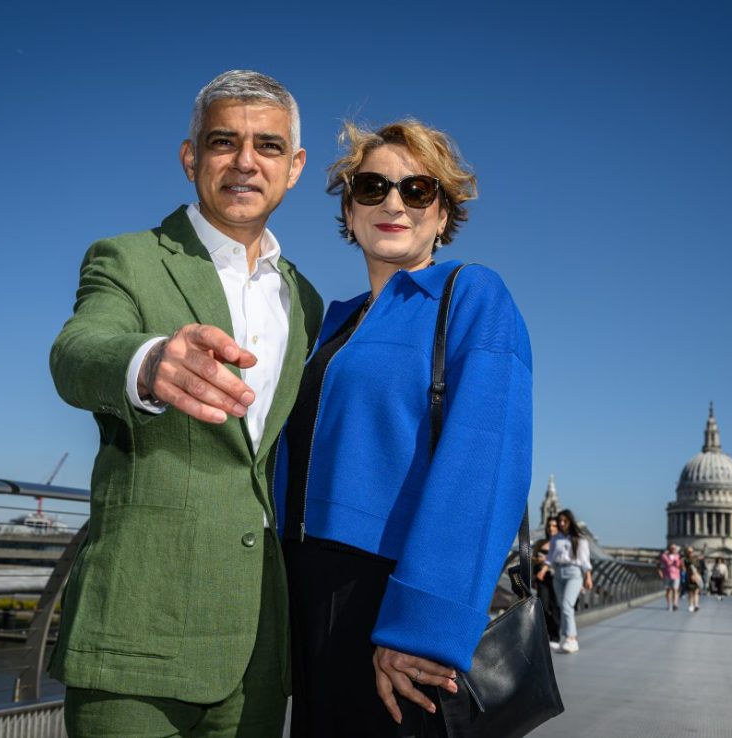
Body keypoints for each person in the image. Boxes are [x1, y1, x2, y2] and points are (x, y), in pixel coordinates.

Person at [48, 70, 323, 738]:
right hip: (136, 631)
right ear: (190, 157)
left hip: (258, 642)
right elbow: (76, 351)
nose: (245, 162)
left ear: (294, 167)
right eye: (223, 142)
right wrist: (146, 363)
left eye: (267, 146)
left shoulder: (306, 300)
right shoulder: (128, 259)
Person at [276, 119, 532, 737]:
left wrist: (419, 629)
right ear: (350, 209)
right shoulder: (326, 323)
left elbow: (485, 465)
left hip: (391, 595)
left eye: (418, 190)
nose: (393, 202)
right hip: (303, 593)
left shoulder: (470, 295)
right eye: (372, 187)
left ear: (442, 215)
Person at [548, 509, 594, 653]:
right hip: (558, 573)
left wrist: (588, 576)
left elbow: (584, 560)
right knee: (562, 605)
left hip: (574, 573)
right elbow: (550, 558)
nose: (561, 524)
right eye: (560, 521)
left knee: (567, 604)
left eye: (564, 521)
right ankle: (566, 638)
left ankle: (571, 638)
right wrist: (543, 567)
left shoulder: (580, 539)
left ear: (570, 521)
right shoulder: (556, 539)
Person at [658, 543, 681, 611]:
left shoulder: (678, 556)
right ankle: (669, 604)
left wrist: (677, 559)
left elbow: (679, 565)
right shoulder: (664, 556)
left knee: (675, 589)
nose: (674, 549)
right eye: (672, 548)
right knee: (668, 590)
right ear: (669, 549)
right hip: (667, 575)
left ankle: (675, 604)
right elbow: (660, 565)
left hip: (676, 575)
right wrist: (660, 573)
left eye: (675, 548)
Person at [683, 545, 703, 612]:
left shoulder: (696, 559)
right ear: (686, 552)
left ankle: (696, 605)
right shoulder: (685, 560)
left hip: (696, 576)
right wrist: (691, 575)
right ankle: (691, 605)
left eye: (691, 551)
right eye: (689, 551)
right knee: (690, 592)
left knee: (696, 591)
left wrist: (698, 575)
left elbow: (699, 568)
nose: (690, 552)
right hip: (689, 576)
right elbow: (684, 568)